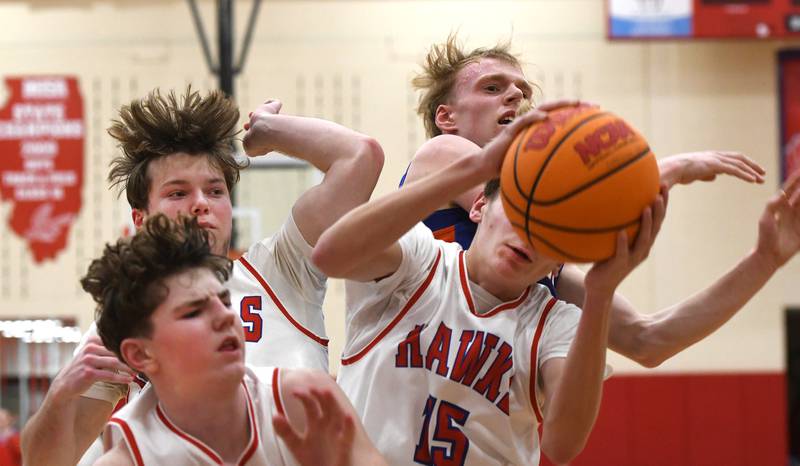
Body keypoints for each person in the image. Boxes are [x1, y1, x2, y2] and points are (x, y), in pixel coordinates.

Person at [21, 88, 384, 466]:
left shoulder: (282, 270)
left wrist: (272, 130)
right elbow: (47, 462)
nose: (201, 203)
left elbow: (360, 158)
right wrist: (59, 397)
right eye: (178, 192)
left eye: (215, 190)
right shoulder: (133, 315)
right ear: (141, 220)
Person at [400, 35, 799, 368]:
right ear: (446, 118)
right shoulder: (441, 154)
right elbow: (541, 207)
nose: (515, 97)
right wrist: (662, 170)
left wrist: (764, 260)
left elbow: (650, 341)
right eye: (492, 87)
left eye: (523, 92)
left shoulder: (539, 259)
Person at [312, 110, 666, 464]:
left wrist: (601, 295)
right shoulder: (419, 260)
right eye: (519, 215)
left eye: (549, 236)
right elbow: (328, 255)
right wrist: (476, 167)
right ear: (479, 206)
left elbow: (562, 445)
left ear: (562, 260)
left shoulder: (557, 323)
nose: (529, 238)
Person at [83, 214, 385, 466]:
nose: (227, 318)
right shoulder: (128, 458)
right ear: (140, 355)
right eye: (193, 312)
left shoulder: (306, 400)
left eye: (224, 301)